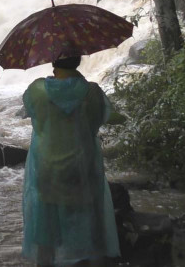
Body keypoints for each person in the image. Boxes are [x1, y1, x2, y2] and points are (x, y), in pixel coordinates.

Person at [21, 56, 123, 266]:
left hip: (47, 166)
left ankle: (46, 262)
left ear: (53, 63)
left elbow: (32, 113)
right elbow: (98, 121)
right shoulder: (92, 91)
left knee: (46, 224)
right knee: (88, 219)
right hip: (82, 164)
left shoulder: (37, 89)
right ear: (78, 61)